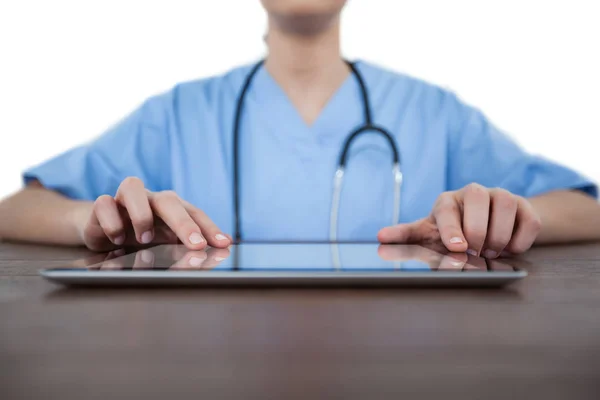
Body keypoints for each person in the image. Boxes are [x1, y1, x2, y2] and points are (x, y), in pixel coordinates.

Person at [1, 0, 599, 260]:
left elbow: (586, 207)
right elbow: (16, 209)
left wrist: (507, 213)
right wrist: (87, 222)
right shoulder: (180, 114)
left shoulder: (434, 113)